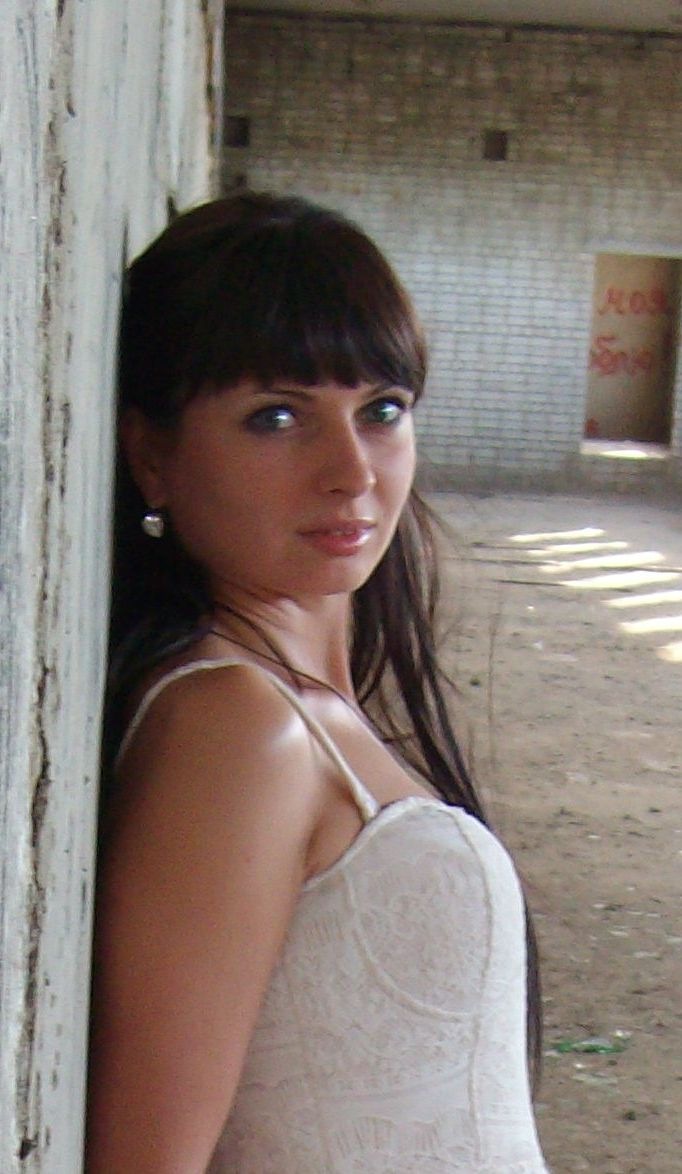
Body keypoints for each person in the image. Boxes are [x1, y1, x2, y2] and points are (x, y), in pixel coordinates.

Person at [86, 191, 548, 1172]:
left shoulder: (303, 710)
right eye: (277, 416)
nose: (351, 470)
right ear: (152, 456)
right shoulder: (234, 726)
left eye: (381, 411)